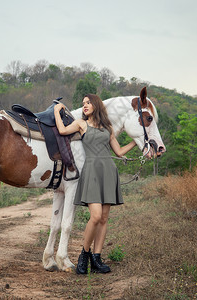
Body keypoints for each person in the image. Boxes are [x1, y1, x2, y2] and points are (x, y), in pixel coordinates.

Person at [54, 94, 137, 274]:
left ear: (96, 104)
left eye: (88, 102)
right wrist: (56, 110)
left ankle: (97, 259)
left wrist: (136, 141)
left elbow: (119, 151)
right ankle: (84, 255)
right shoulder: (81, 124)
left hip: (108, 171)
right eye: (83, 103)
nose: (85, 106)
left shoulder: (108, 127)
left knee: (104, 218)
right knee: (96, 216)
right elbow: (61, 131)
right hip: (91, 171)